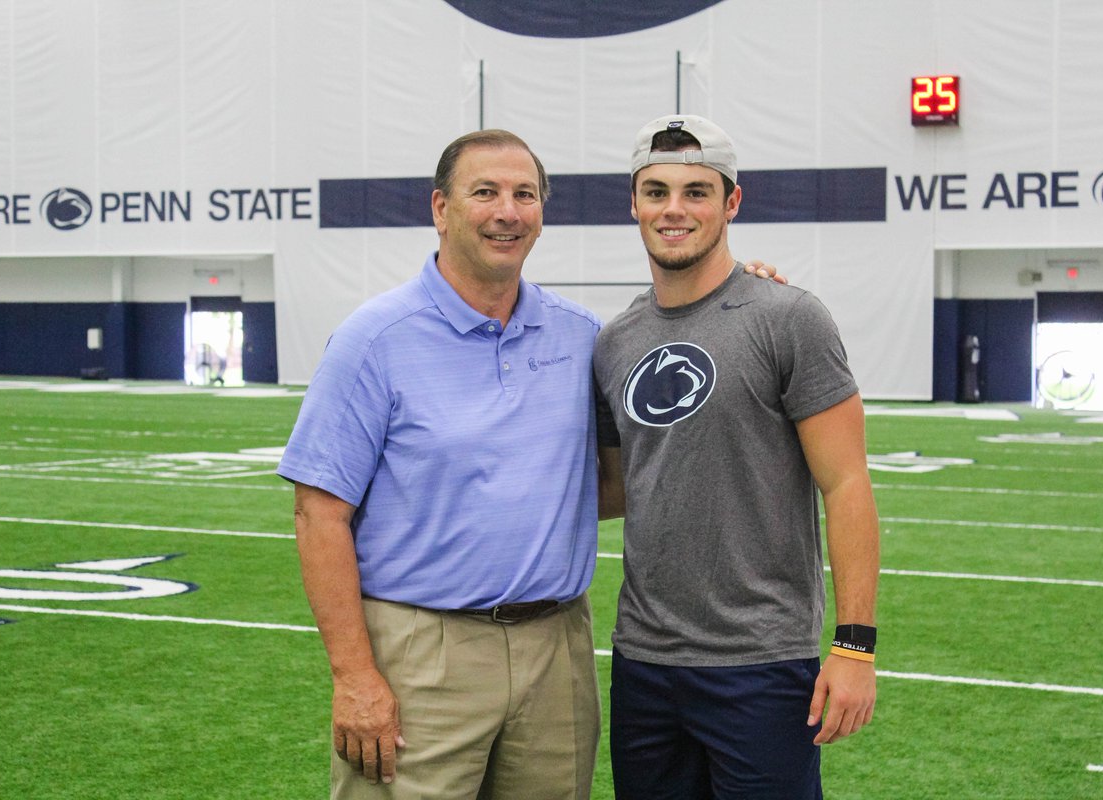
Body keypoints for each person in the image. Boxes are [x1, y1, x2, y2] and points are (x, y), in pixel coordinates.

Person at [278, 127, 785, 799]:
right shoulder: (375, 341)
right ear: (441, 208)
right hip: (422, 650)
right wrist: (354, 676)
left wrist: (745, 294)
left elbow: (616, 482)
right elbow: (319, 515)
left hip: (557, 649)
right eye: (484, 192)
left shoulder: (582, 338)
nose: (507, 212)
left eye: (525, 194)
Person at [593, 115, 880, 799]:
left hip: (761, 662)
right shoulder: (613, 342)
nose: (674, 209)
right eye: (656, 190)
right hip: (643, 660)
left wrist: (855, 646)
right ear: (632, 203)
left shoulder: (788, 318)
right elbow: (613, 487)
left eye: (697, 191)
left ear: (731, 203)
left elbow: (845, 484)